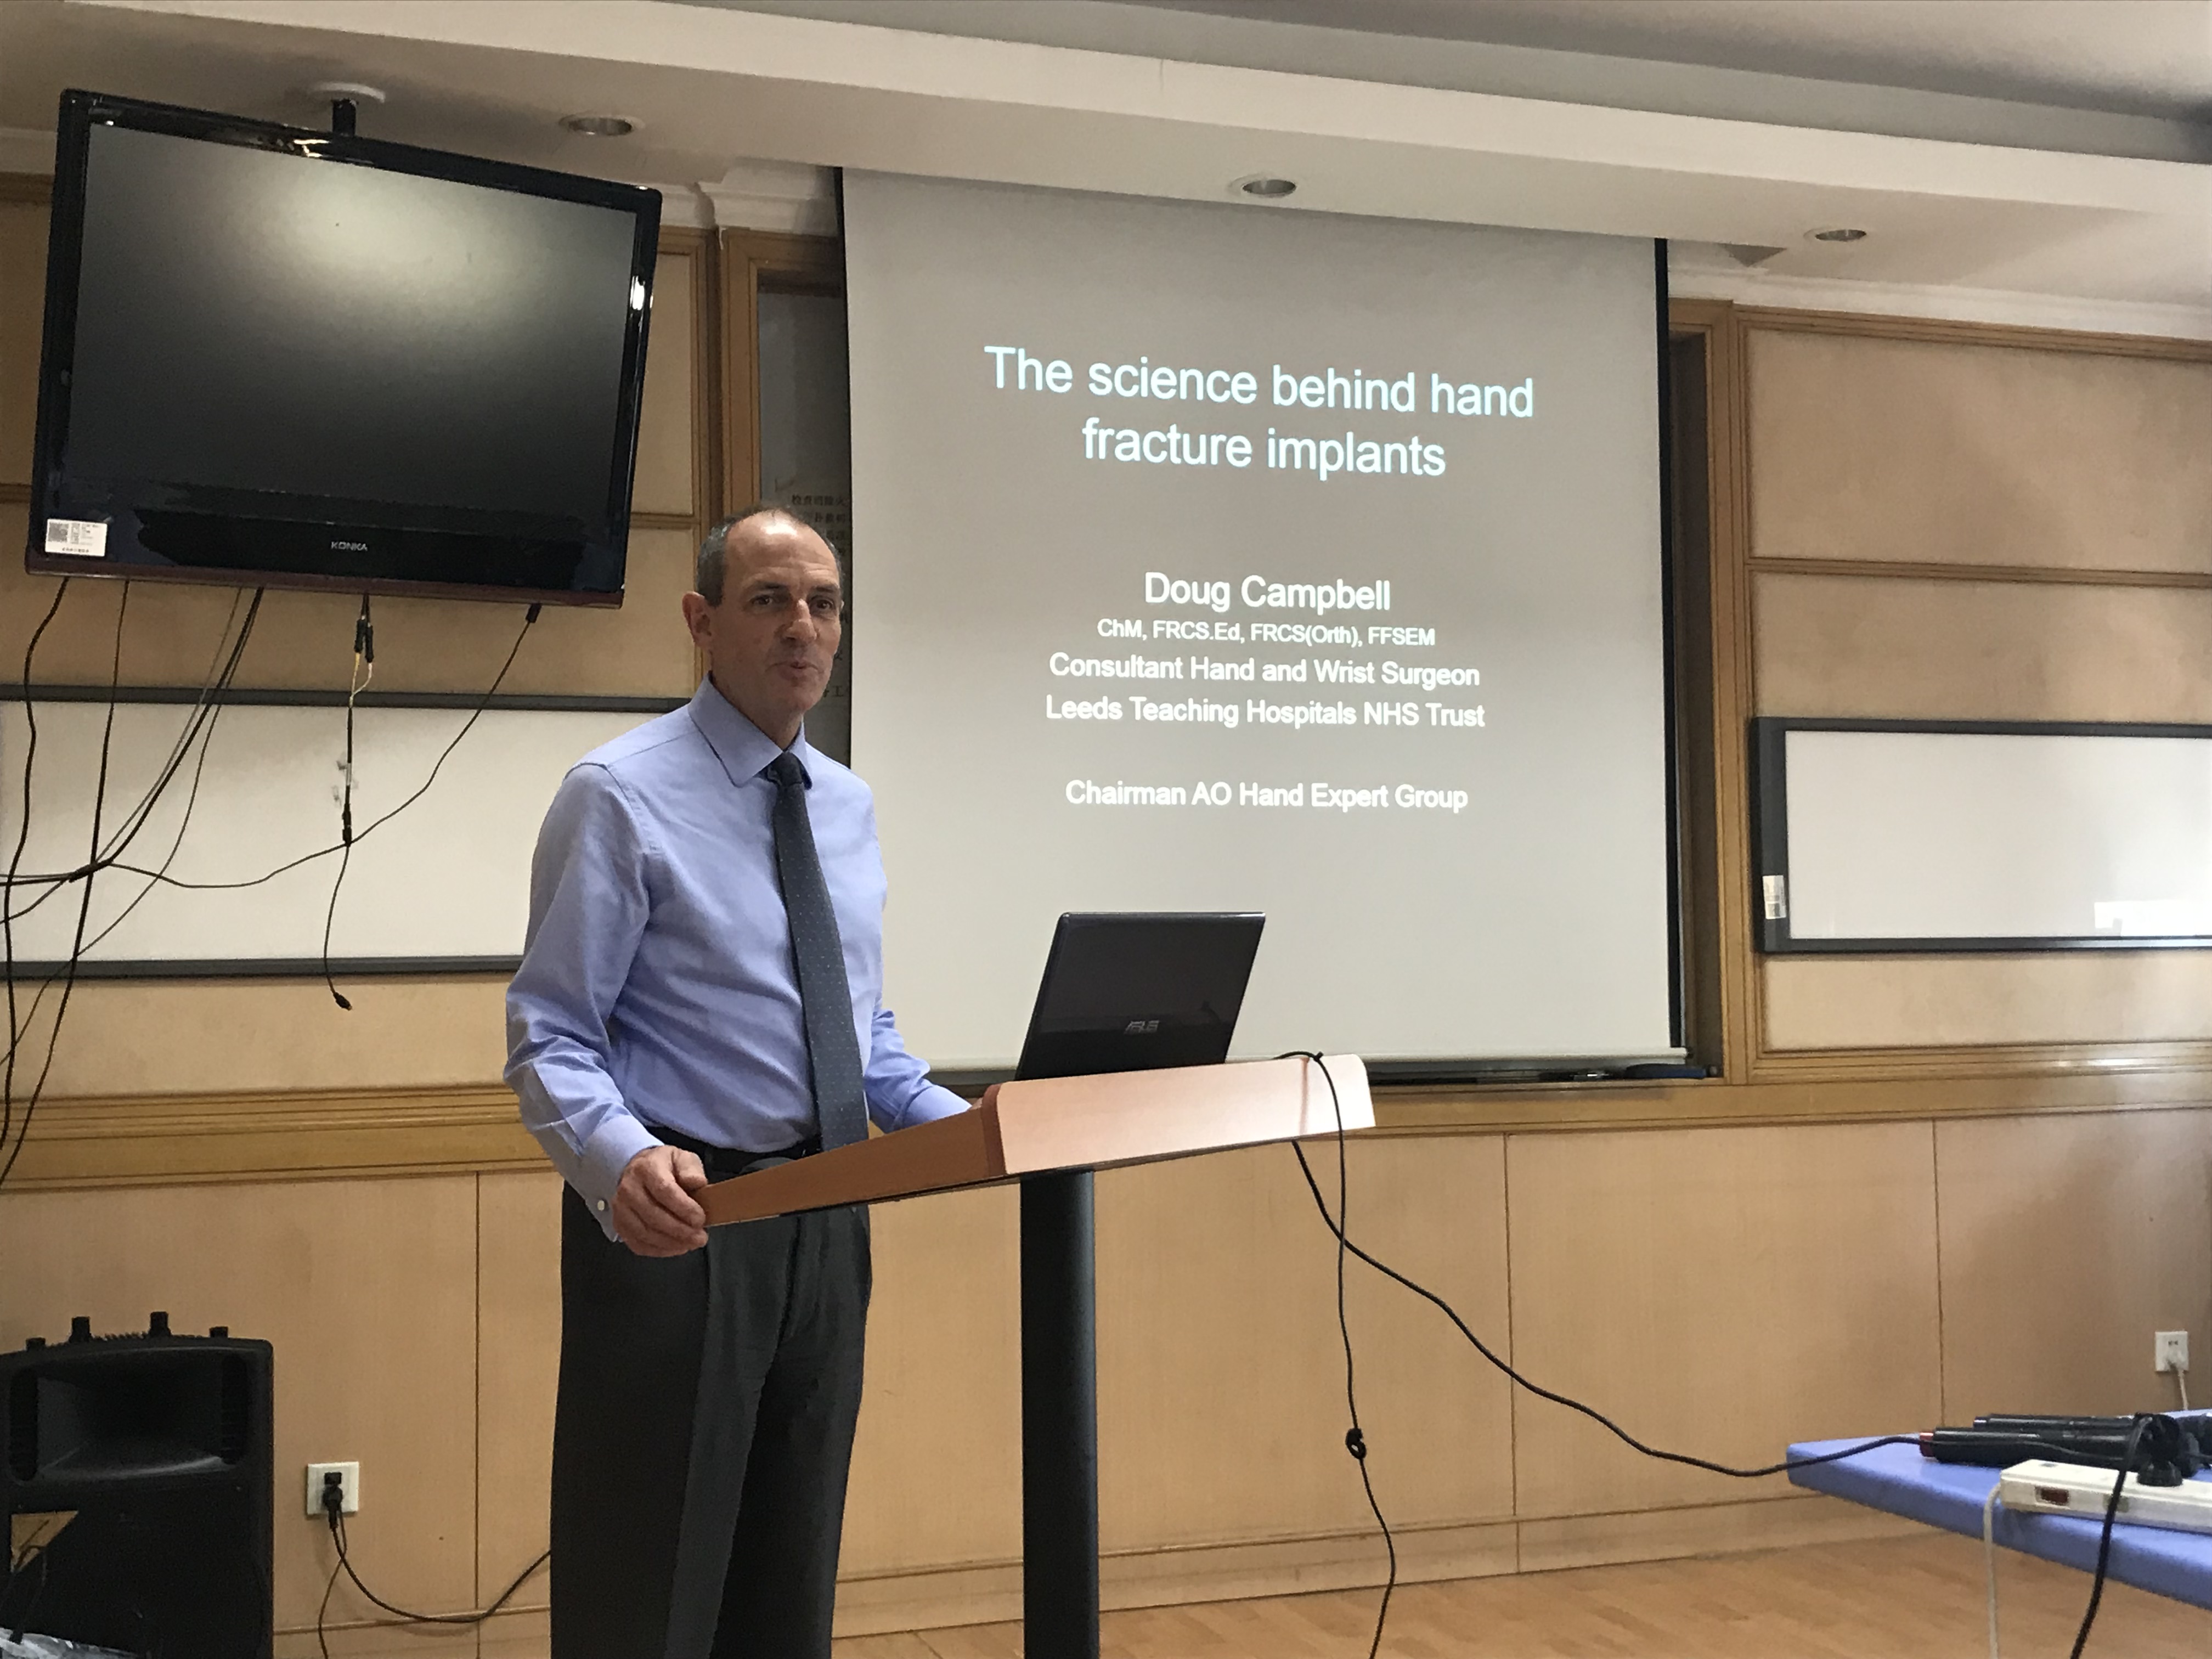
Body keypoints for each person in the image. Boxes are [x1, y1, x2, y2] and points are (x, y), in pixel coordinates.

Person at [505, 505, 969, 1658]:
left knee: (789, 1569)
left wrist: (967, 1125)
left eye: (824, 604)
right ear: (702, 622)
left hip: (828, 1220)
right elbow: (550, 1032)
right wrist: (619, 1161)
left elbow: (856, 1026)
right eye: (770, 601)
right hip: (683, 1223)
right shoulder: (617, 793)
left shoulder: (846, 805)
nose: (803, 627)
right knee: (649, 1584)